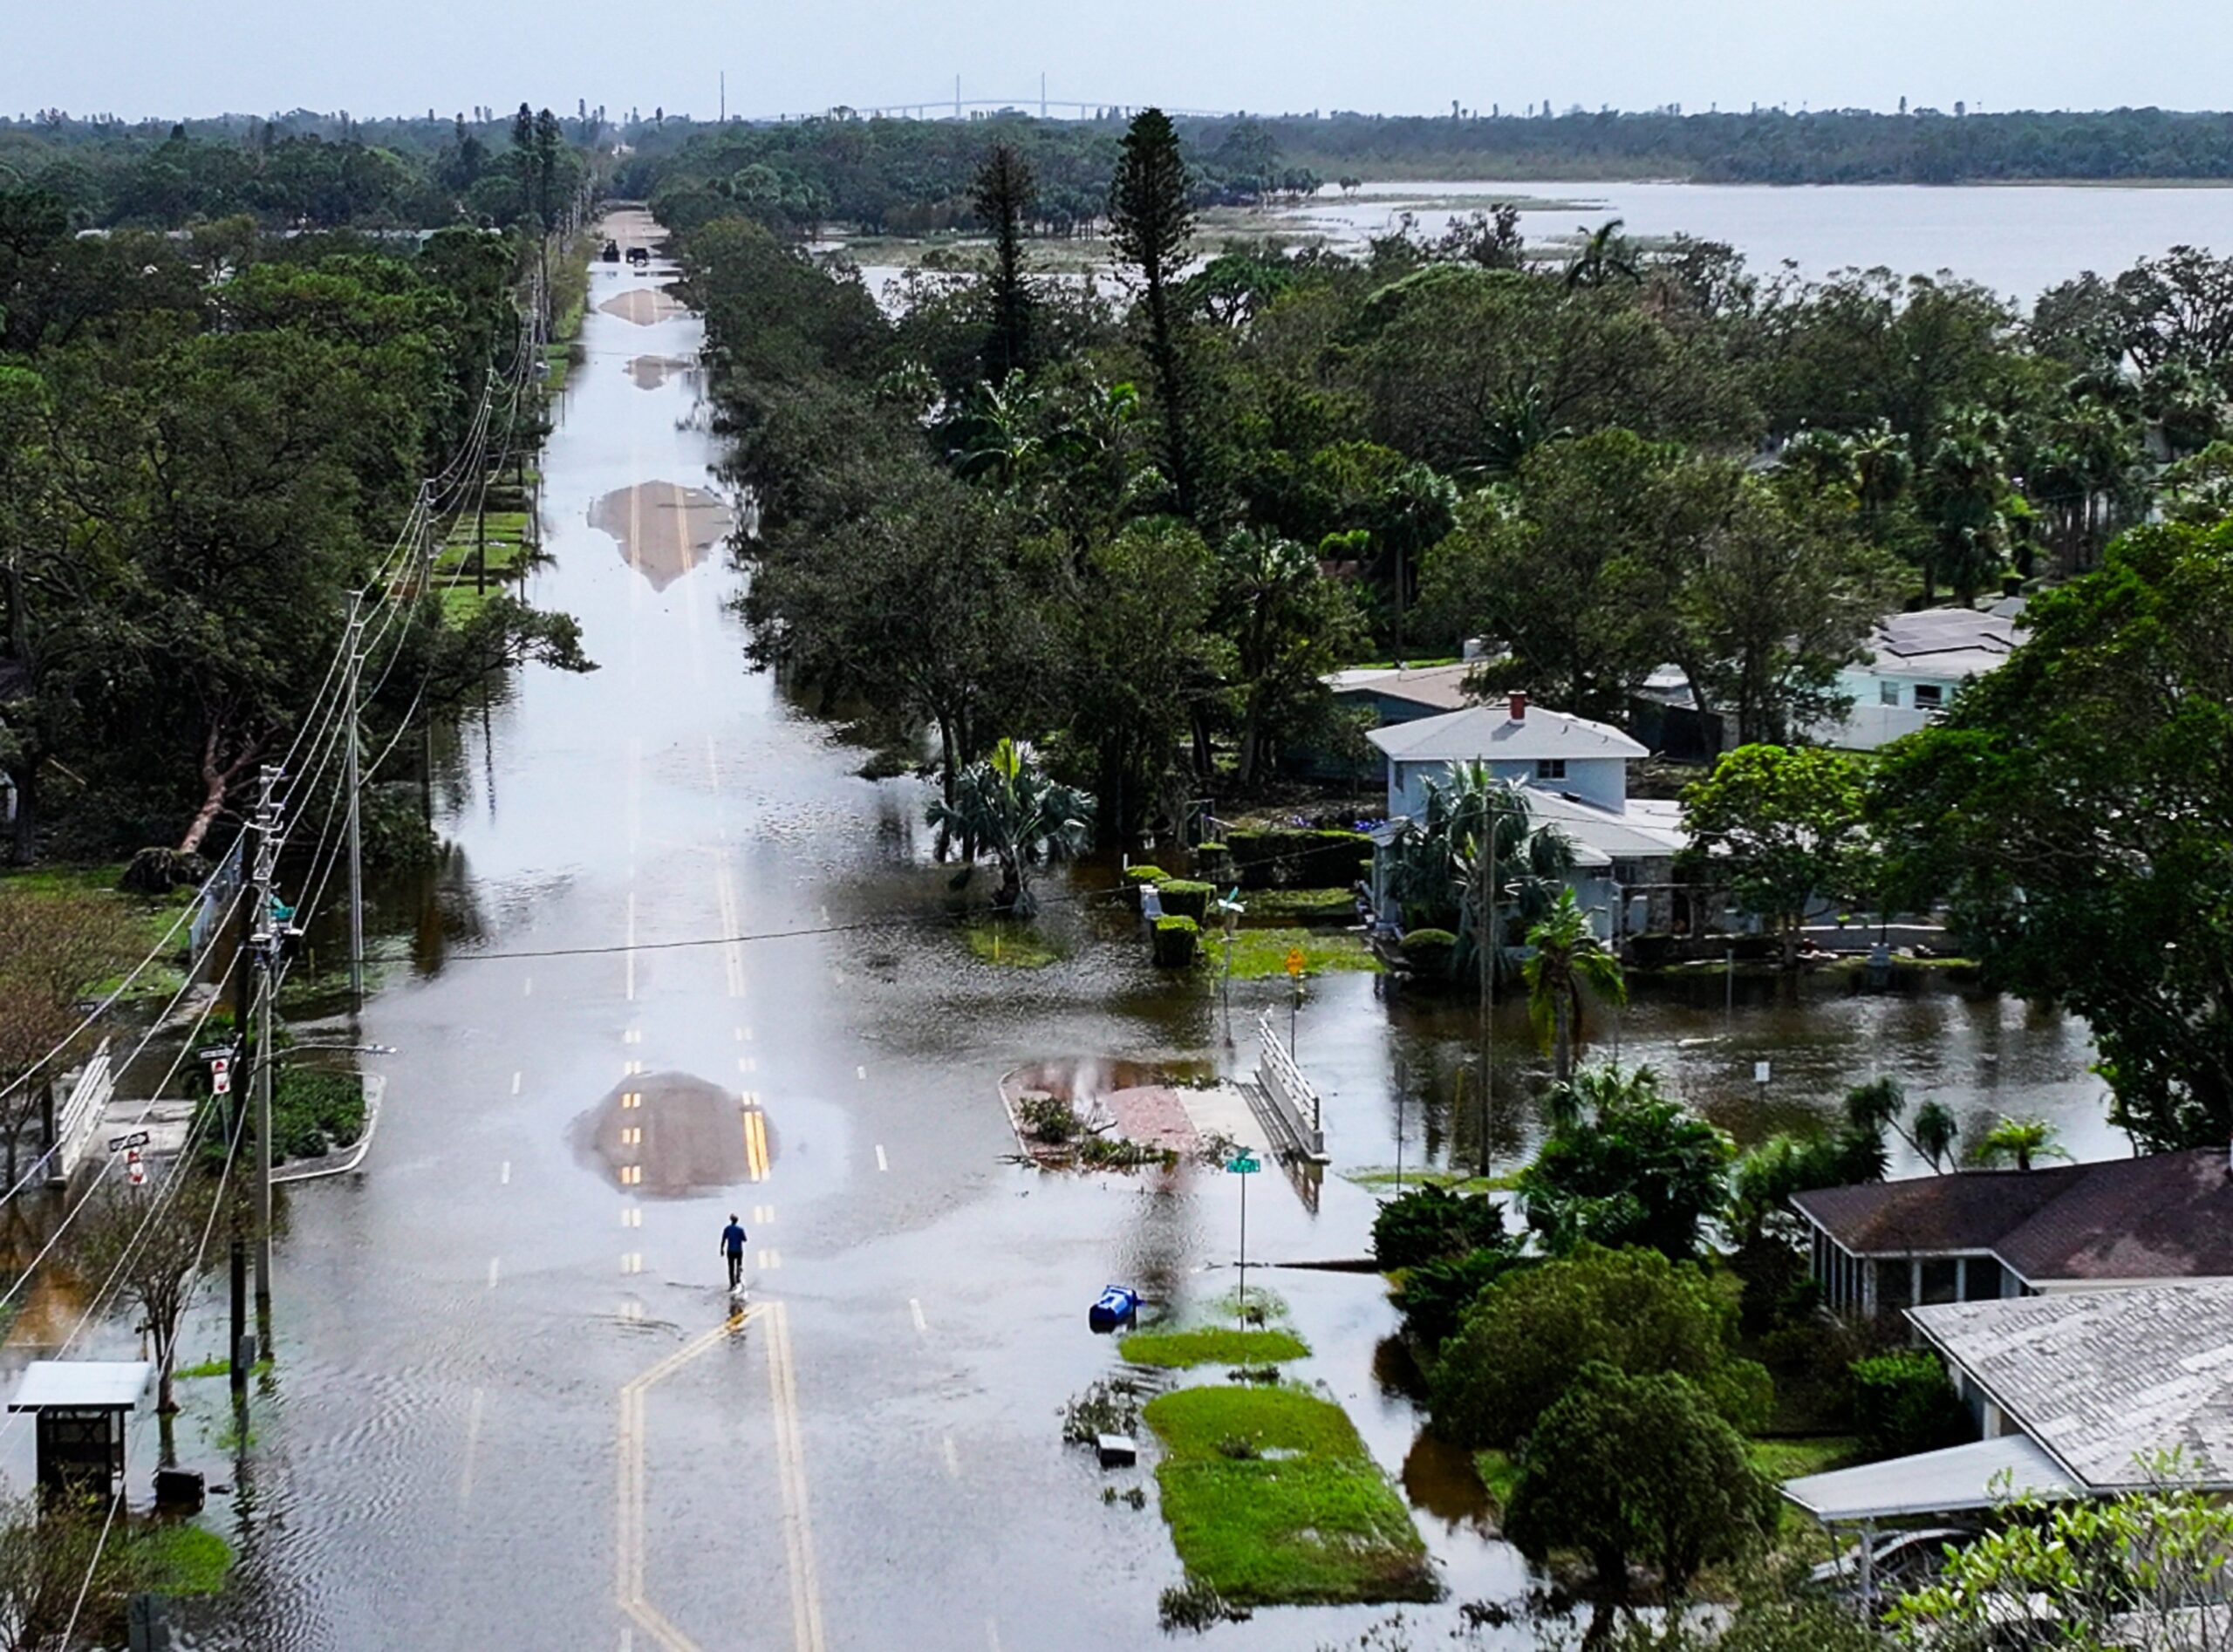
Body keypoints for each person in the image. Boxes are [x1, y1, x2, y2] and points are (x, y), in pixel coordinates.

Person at [720, 1214, 748, 1292]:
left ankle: (732, 1284)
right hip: (739, 1250)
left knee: (731, 1267)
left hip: (730, 1251)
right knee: (739, 1264)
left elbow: (723, 1239)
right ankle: (738, 1278)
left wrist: (721, 1249)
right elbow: (745, 1239)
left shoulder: (727, 1229)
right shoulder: (740, 1229)